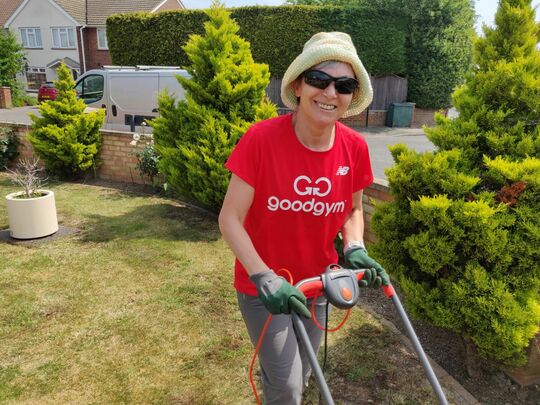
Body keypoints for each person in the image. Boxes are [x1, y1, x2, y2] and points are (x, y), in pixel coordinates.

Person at [218, 31, 390, 405]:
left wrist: (355, 246)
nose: (330, 93)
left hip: (319, 283)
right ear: (297, 85)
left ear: (350, 97)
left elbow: (353, 209)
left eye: (344, 85)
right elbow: (230, 218)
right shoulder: (261, 140)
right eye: (319, 80)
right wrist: (263, 276)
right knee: (287, 385)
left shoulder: (355, 148)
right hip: (263, 287)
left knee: (306, 368)